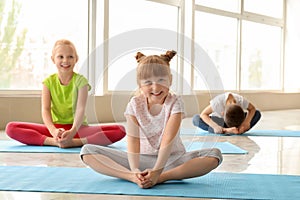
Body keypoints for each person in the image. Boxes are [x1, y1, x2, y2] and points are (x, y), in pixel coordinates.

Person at [80, 50, 222, 189]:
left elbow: (168, 139)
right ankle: (131, 177)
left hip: (171, 160)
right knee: (87, 151)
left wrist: (158, 172)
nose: (155, 87)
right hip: (141, 159)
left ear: (170, 80)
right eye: (148, 82)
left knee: (214, 155)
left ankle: (163, 178)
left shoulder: (175, 102)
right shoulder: (135, 104)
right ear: (140, 85)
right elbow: (133, 139)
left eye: (161, 80)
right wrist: (135, 169)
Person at [5, 39, 126, 148]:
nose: (65, 60)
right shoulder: (48, 82)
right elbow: (45, 110)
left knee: (120, 130)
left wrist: (73, 132)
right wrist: (53, 131)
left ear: (76, 59)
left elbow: (80, 109)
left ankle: (75, 142)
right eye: (60, 57)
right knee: (11, 128)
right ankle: (53, 142)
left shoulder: (81, 82)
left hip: (79, 130)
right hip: (56, 130)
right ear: (53, 59)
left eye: (70, 57)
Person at [192, 92, 261, 134]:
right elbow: (203, 114)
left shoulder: (241, 100)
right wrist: (215, 127)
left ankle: (239, 129)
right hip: (220, 123)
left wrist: (246, 122)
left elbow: (252, 109)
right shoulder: (217, 102)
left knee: (257, 113)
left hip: (238, 121)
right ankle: (225, 130)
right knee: (196, 119)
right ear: (223, 113)